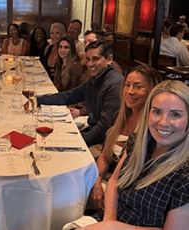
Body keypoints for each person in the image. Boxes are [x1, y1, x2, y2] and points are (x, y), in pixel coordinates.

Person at [76, 80, 189, 229]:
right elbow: (115, 181)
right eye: (157, 111)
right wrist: (109, 219)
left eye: (175, 114)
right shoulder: (138, 142)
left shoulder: (185, 175)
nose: (163, 122)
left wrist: (114, 227)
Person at [89, 65, 162, 210]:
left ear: (153, 91)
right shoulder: (119, 116)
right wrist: (96, 180)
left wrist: (107, 187)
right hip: (106, 181)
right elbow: (104, 156)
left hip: (125, 193)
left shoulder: (153, 129)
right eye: (127, 85)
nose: (130, 91)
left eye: (138, 86)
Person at [29, 41, 123, 147]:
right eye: (88, 59)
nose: (90, 64)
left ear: (109, 59)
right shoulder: (96, 79)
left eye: (95, 59)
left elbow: (104, 128)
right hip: (94, 133)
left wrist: (77, 142)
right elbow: (69, 96)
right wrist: (39, 100)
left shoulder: (114, 84)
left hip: (105, 142)